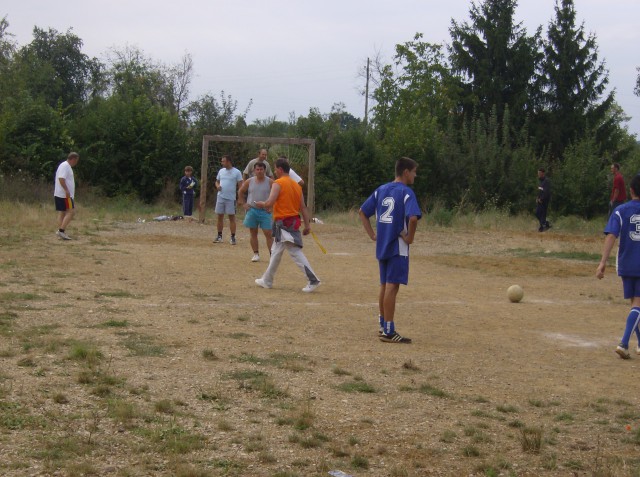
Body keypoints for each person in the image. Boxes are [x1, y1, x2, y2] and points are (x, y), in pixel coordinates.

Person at [359, 157, 422, 344]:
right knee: (392, 287)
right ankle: (389, 330)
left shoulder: (381, 190)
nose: (415, 175)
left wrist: (372, 234)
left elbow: (362, 211)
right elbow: (413, 218)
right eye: (414, 172)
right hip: (397, 247)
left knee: (385, 285)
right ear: (405, 172)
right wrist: (410, 238)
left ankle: (382, 324)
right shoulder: (406, 193)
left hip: (383, 244)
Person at [253, 157, 320, 292]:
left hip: (284, 223)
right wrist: (307, 225)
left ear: (280, 169)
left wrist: (262, 204)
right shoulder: (297, 186)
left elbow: (270, 202)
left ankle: (313, 280)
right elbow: (303, 208)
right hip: (290, 222)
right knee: (276, 251)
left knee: (294, 252)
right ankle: (267, 280)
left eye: (275, 169)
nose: (275, 172)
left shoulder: (278, 183)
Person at [596, 174, 640, 359]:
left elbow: (611, 236)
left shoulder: (621, 211)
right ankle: (623, 343)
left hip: (626, 263)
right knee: (638, 304)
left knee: (635, 304)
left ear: (630, 191)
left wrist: (602, 262)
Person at [237, 161, 274, 262]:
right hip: (252, 209)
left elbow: (277, 194)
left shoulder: (270, 182)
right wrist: (243, 203)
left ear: (265, 170)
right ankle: (256, 254)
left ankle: (272, 255)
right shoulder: (249, 181)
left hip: (265, 211)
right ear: (254, 171)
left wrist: (272, 206)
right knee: (253, 232)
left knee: (268, 233)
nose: (259, 171)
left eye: (261, 169)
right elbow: (240, 191)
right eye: (257, 169)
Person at [213, 155, 243, 245]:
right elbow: (217, 181)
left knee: (231, 217)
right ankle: (219, 236)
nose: (222, 163)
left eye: (223, 161)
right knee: (219, 216)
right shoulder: (221, 171)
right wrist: (217, 186)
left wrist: (240, 198)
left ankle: (233, 237)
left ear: (229, 161)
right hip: (220, 196)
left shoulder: (237, 172)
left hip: (231, 198)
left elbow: (240, 186)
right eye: (222, 161)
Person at [54, 152, 80, 240]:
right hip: (65, 195)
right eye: (76, 161)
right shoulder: (65, 166)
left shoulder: (64, 166)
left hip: (61, 194)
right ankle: (61, 231)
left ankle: (61, 231)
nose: (76, 163)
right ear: (73, 159)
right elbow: (61, 179)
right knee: (71, 212)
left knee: (62, 212)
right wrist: (66, 190)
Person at [536, 168, 551, 232]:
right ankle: (545, 225)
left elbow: (546, 192)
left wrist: (541, 199)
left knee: (542, 213)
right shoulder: (540, 181)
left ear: (543, 173)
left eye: (539, 173)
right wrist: (537, 198)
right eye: (538, 173)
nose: (538, 174)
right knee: (538, 213)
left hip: (544, 201)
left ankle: (543, 226)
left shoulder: (546, 181)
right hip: (539, 200)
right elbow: (540, 191)